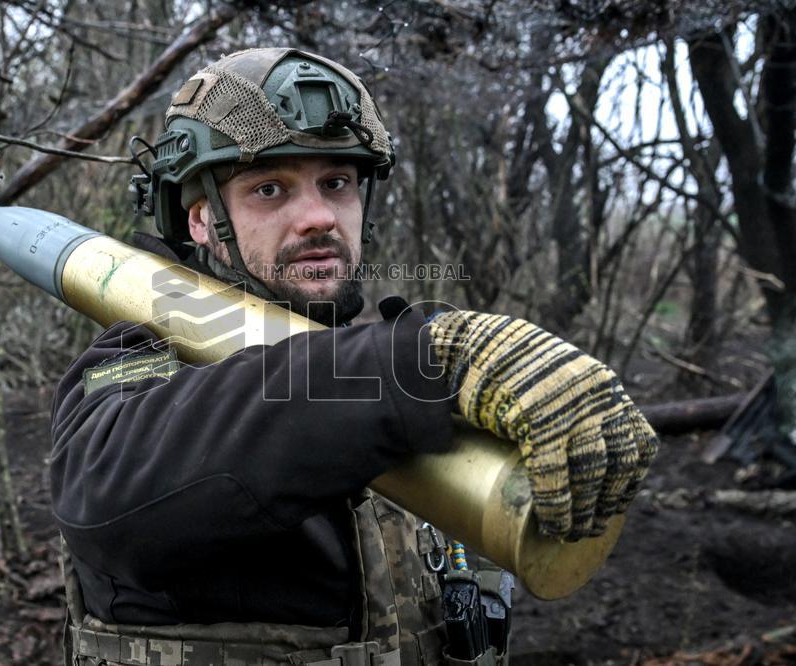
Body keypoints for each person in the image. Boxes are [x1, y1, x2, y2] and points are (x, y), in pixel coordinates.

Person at [50, 48, 658, 666]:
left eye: (336, 183)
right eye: (269, 189)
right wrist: (420, 363)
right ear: (203, 220)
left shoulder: (380, 356)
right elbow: (106, 500)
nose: (319, 217)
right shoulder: (143, 359)